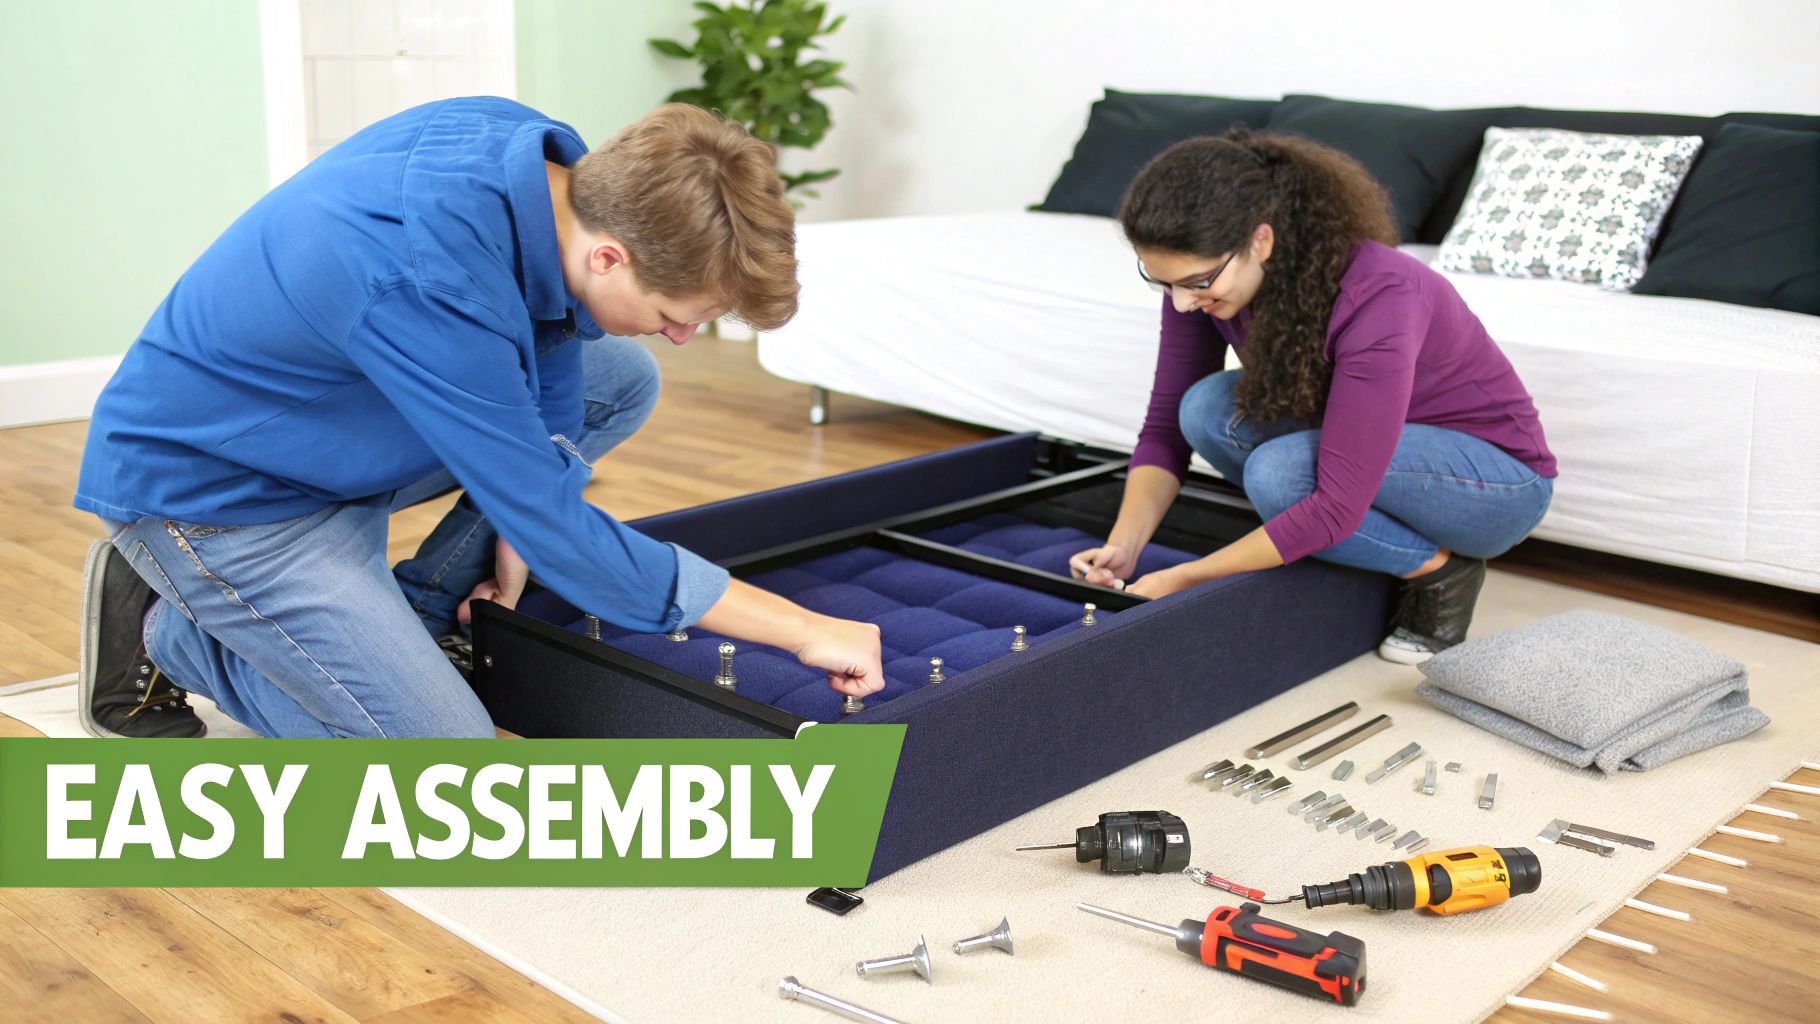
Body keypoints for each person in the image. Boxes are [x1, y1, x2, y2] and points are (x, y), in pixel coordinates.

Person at [74, 98, 884, 738]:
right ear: (612, 255)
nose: (682, 335)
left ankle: (424, 608)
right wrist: (804, 628)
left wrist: (526, 517)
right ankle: (173, 629)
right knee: (439, 762)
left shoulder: (538, 161)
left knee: (622, 377)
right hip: (219, 501)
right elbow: (575, 545)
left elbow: (558, 346)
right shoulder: (430, 286)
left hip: (323, 414)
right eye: (680, 312)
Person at [1069, 129, 1557, 663]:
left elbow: (1335, 502)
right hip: (1379, 448)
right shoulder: (1195, 283)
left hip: (1496, 485)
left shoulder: (1383, 293)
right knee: (1204, 409)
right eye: (1163, 282)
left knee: (1280, 475)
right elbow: (1165, 429)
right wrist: (1125, 547)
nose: (1183, 303)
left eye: (1198, 281)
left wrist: (1190, 575)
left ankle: (1440, 570)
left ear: (1261, 240)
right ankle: (1369, 547)